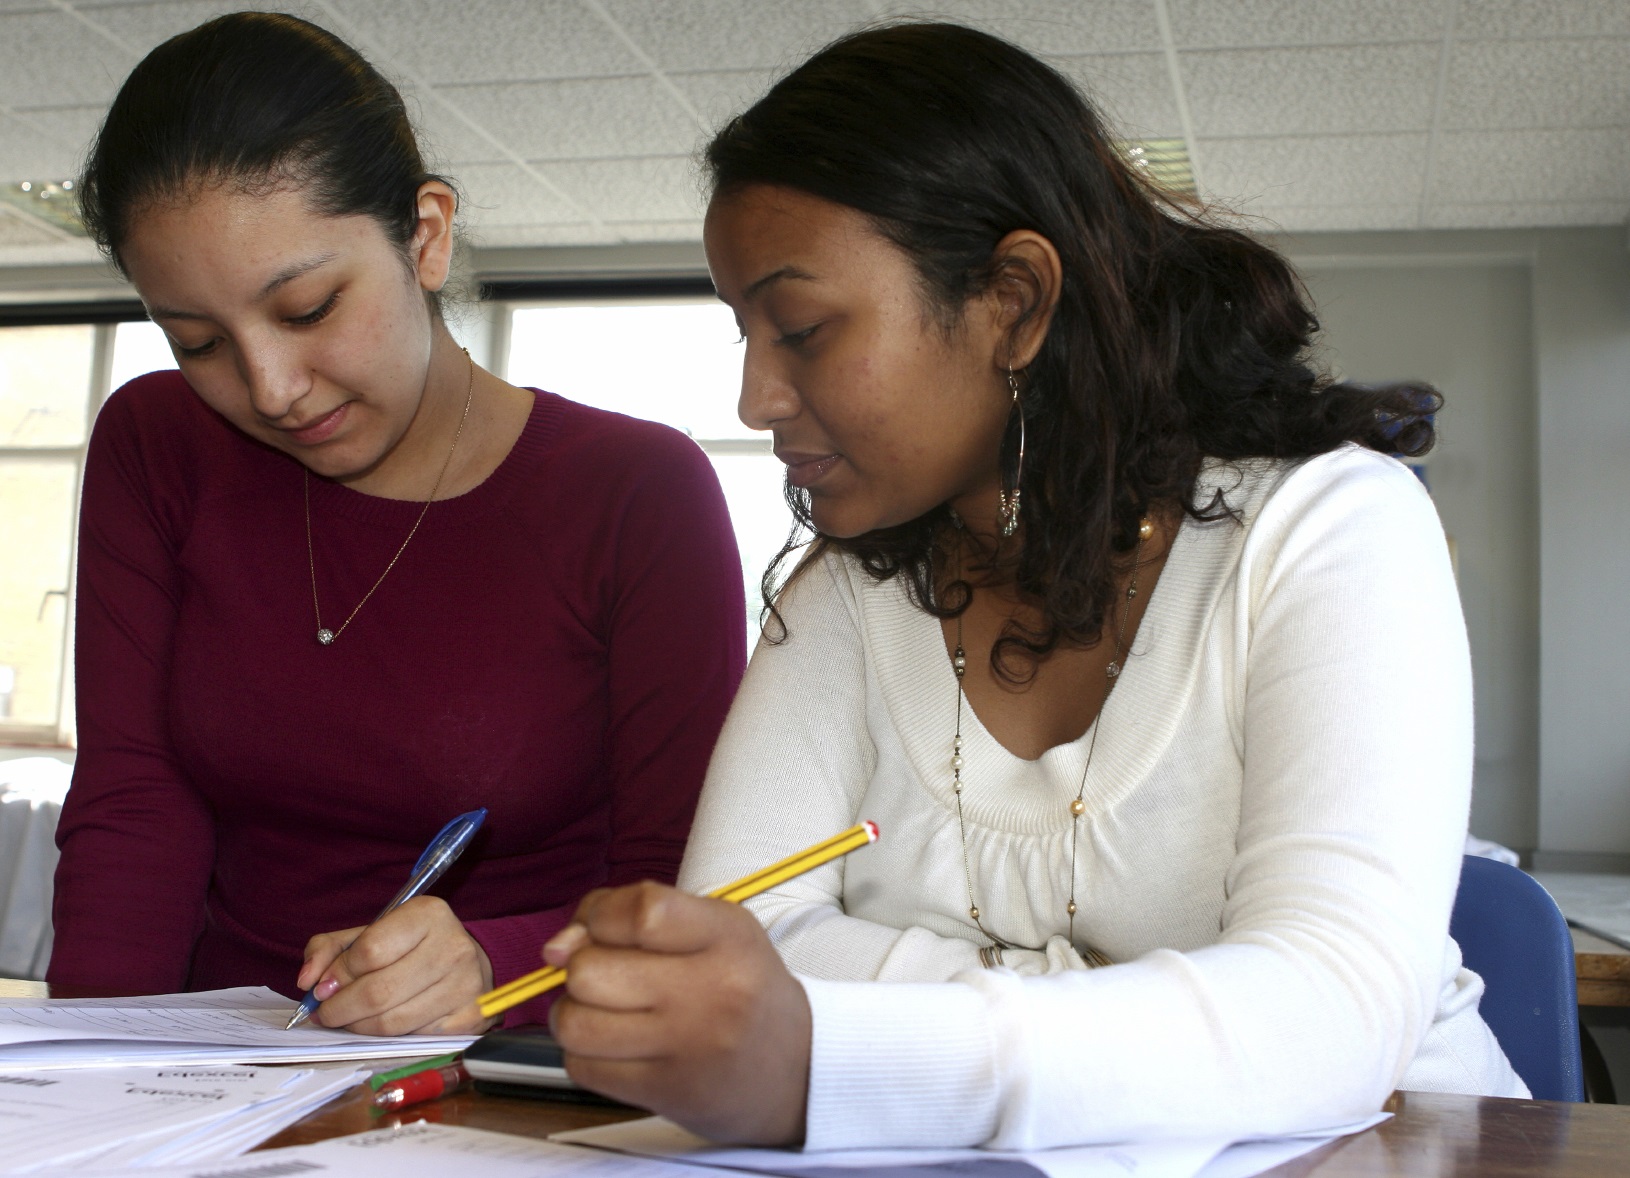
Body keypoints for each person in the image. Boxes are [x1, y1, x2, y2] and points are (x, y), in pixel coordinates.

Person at [538, 21, 1527, 1148]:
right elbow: (738, 942)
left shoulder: (1330, 526)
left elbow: (1331, 1015)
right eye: (743, 333)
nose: (756, 396)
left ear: (1013, 301)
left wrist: (837, 1046)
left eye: (801, 328)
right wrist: (1161, 1002)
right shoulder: (841, 596)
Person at [47, 12, 746, 1036]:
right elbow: (133, 806)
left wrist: (489, 964)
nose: (270, 389)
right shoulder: (159, 442)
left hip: (514, 1068)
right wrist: (89, 1081)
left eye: (308, 309)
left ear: (425, 234)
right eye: (196, 340)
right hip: (211, 1065)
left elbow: (686, 895)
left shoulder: (637, 493)